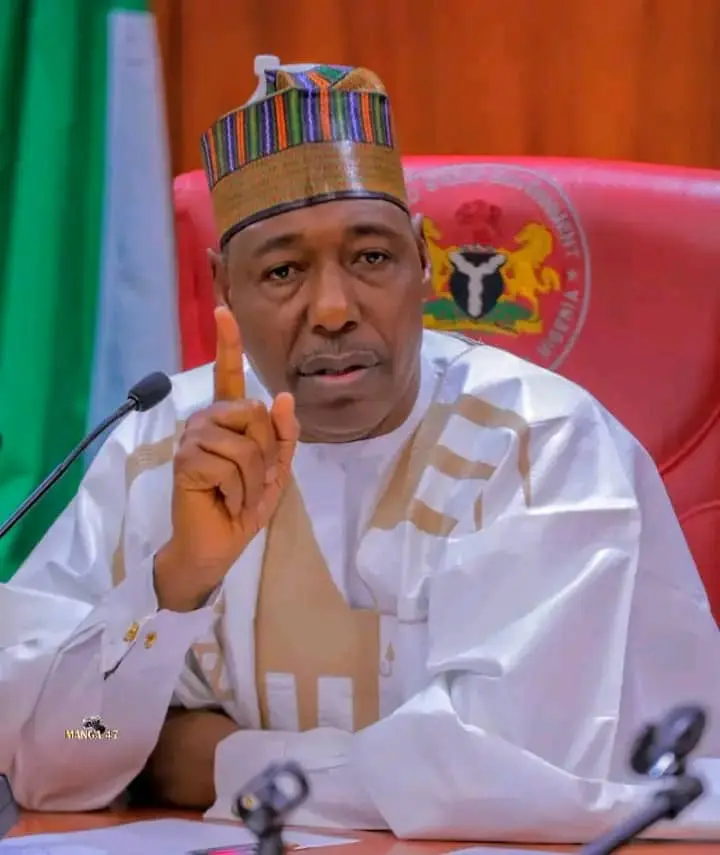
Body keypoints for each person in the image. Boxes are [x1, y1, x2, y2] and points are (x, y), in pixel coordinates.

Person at [1, 60, 719, 843]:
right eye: (283, 271)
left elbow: (507, 778)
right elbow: (58, 757)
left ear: (423, 260)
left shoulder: (539, 444)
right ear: (224, 287)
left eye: (371, 258)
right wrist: (176, 585)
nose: (334, 308)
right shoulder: (160, 446)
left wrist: (215, 763)